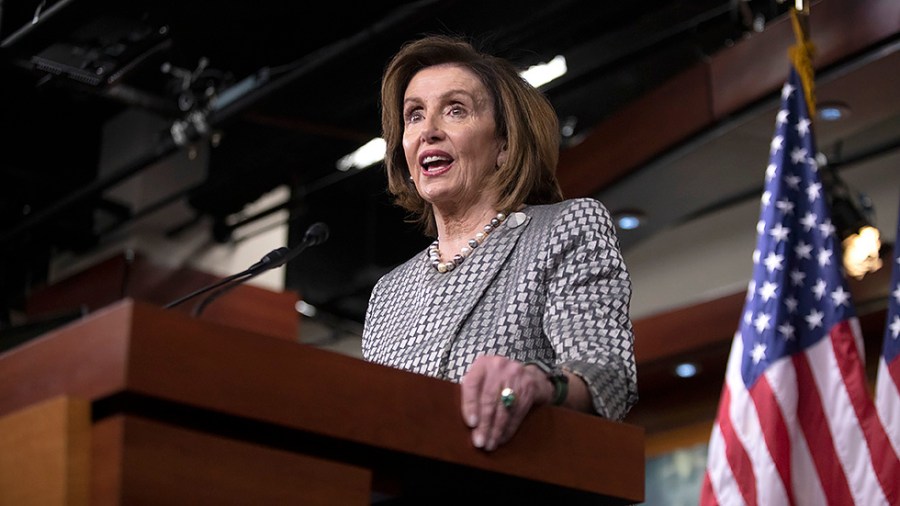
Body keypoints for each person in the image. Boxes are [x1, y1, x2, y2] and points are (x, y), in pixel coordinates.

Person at [362, 34, 637, 452]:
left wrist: (539, 383)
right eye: (414, 115)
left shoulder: (564, 227)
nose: (428, 131)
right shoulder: (388, 294)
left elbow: (606, 370)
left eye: (455, 110)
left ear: (505, 146)